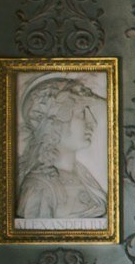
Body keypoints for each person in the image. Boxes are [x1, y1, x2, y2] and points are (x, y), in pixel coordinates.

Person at [15, 75, 108, 223]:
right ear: (55, 126)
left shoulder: (84, 175)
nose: (92, 123)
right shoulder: (39, 188)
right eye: (82, 114)